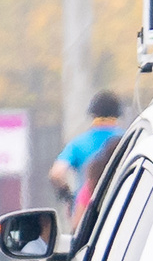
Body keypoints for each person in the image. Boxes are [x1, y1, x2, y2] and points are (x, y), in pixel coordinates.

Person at [48, 89, 125, 222]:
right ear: (118, 114)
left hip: (86, 213)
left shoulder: (78, 143)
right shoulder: (127, 140)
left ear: (92, 113)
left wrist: (68, 196)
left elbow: (56, 173)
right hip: (121, 209)